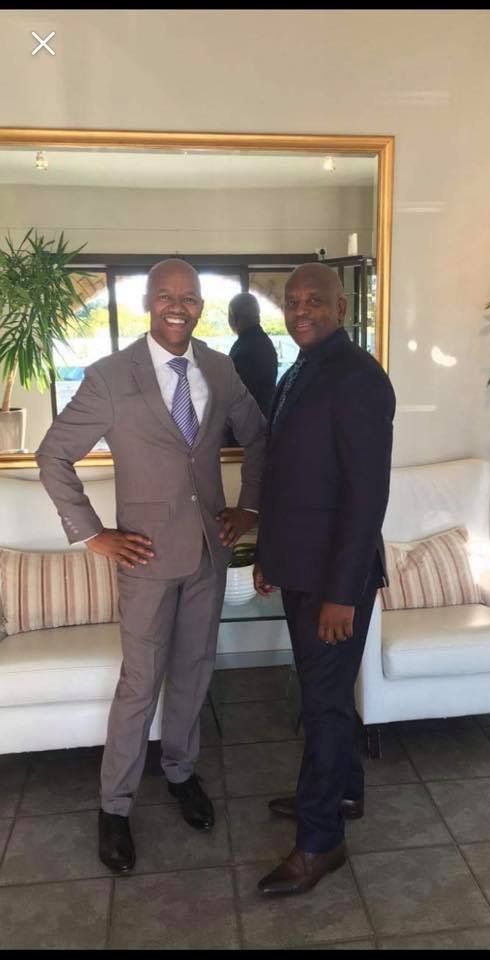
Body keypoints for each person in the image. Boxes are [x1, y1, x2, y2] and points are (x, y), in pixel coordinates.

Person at [36, 258, 266, 874]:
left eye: (188, 297)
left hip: (209, 554)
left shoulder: (220, 367)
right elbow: (53, 455)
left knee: (193, 671)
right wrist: (94, 535)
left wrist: (248, 508)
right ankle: (114, 807)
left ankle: (181, 772)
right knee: (140, 684)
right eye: (165, 296)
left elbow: (259, 435)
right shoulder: (112, 377)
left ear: (199, 306)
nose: (177, 306)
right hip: (144, 556)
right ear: (146, 301)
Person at [253, 262, 395, 897]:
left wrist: (342, 591)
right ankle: (341, 794)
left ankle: (319, 842)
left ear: (342, 306)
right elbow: (293, 477)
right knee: (328, 698)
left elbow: (366, 497)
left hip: (335, 580)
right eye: (292, 301)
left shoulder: (358, 377)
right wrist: (269, 554)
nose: (301, 310)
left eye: (315, 300)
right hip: (300, 567)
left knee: (323, 702)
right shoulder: (303, 367)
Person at [225, 292, 278, 445]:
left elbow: (239, 397)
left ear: (233, 318)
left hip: (248, 432)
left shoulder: (246, 349)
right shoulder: (261, 342)